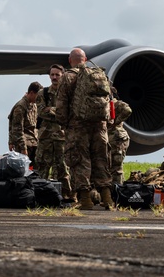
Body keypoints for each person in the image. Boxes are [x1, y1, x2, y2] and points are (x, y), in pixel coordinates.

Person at [56, 48, 113, 210]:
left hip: (77, 127)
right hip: (100, 126)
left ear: (70, 60)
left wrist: (64, 124)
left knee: (80, 160)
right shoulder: (98, 75)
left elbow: (61, 105)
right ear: (85, 59)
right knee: (101, 159)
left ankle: (85, 200)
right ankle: (107, 199)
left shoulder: (68, 77)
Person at [34, 64, 72, 200]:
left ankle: (67, 195)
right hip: (46, 137)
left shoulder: (68, 93)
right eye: (52, 75)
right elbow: (42, 112)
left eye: (57, 75)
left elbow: (70, 113)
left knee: (63, 167)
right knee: (42, 166)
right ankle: (39, 194)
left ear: (63, 76)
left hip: (63, 137)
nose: (54, 77)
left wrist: (52, 110)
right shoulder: (43, 93)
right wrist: (59, 112)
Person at [8, 81, 41, 160]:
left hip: (34, 143)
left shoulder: (33, 105)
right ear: (32, 93)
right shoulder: (20, 107)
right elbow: (17, 129)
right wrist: (23, 148)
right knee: (24, 170)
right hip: (24, 145)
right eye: (38, 96)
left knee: (34, 170)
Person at [108, 89, 132, 185]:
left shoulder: (114, 103)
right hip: (112, 138)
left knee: (116, 166)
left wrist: (116, 121)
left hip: (118, 138)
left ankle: (117, 189)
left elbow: (127, 110)